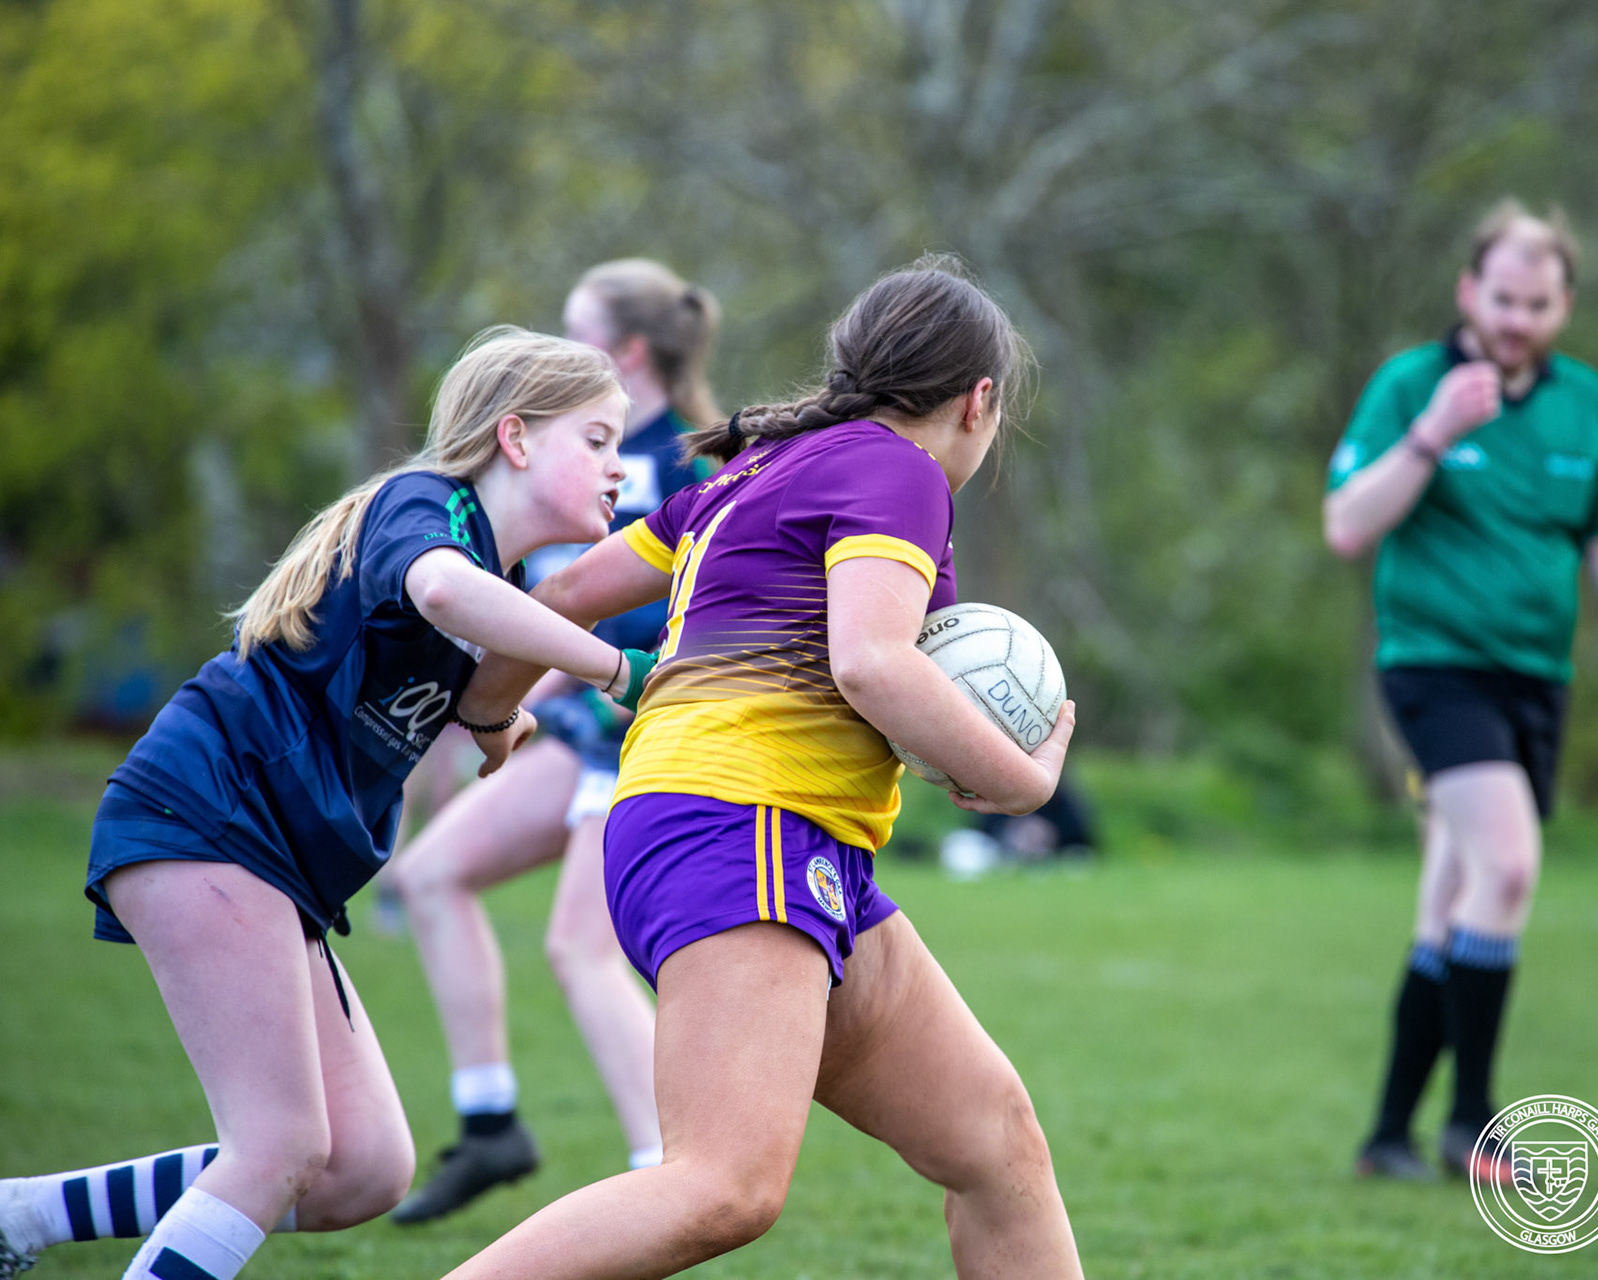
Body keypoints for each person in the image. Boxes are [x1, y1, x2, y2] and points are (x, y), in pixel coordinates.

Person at [436, 256, 1084, 1278]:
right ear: (979, 401)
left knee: (995, 1144)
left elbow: (560, 596)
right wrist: (1021, 780)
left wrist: (487, 709)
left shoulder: (750, 474)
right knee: (723, 1186)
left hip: (761, 836)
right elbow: (871, 662)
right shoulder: (899, 469)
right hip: (742, 828)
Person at [0, 327, 661, 1280]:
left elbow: (478, 682)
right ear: (514, 438)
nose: (618, 468)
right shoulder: (426, 505)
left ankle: (24, 1215)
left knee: (362, 1167)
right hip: (209, 815)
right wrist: (617, 669)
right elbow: (441, 593)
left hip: (272, 857)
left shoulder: (504, 578)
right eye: (597, 440)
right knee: (278, 1146)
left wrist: (496, 723)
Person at [1324, 200, 1598, 1182]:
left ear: (1564, 305)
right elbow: (1347, 525)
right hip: (1434, 666)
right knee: (1510, 867)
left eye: (1539, 304)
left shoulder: (1584, 401)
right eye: (1503, 299)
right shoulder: (1412, 384)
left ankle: (1388, 1135)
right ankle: (1475, 1127)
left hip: (1537, 679)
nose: (1518, 320)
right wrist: (1431, 436)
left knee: (1453, 896)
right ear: (1468, 292)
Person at [386, 260, 721, 1223]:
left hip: (642, 733)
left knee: (581, 950)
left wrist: (521, 689)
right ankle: (490, 1122)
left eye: (578, 332)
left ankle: (669, 1175)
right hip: (580, 732)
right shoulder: (567, 455)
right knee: (431, 875)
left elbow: (641, 627)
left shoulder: (681, 467)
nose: (561, 350)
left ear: (629, 351)